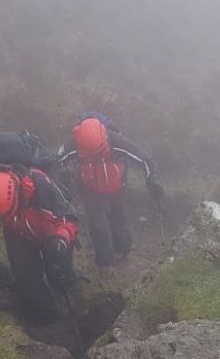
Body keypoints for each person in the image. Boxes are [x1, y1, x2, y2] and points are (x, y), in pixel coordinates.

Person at [0, 131, 80, 323]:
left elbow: (67, 217)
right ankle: (45, 319)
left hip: (51, 233)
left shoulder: (40, 184)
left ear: (18, 199)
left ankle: (67, 295)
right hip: (17, 234)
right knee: (27, 278)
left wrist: (60, 239)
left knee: (59, 273)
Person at [55, 115, 164, 268]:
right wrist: (61, 180)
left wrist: (152, 180)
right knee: (97, 223)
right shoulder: (74, 144)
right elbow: (55, 162)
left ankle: (122, 250)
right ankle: (105, 264)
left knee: (117, 216)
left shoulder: (116, 141)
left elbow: (145, 159)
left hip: (116, 184)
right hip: (89, 186)